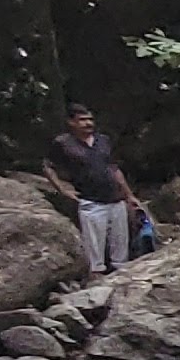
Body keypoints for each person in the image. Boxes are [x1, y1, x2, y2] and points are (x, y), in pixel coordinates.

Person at [39, 103, 139, 276]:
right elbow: (47, 166)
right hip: (90, 200)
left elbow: (114, 168)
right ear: (71, 122)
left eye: (90, 119)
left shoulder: (103, 140)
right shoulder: (64, 143)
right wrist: (62, 189)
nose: (88, 123)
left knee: (120, 243)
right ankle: (97, 275)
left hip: (115, 198)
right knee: (94, 246)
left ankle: (122, 274)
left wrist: (129, 195)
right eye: (82, 120)